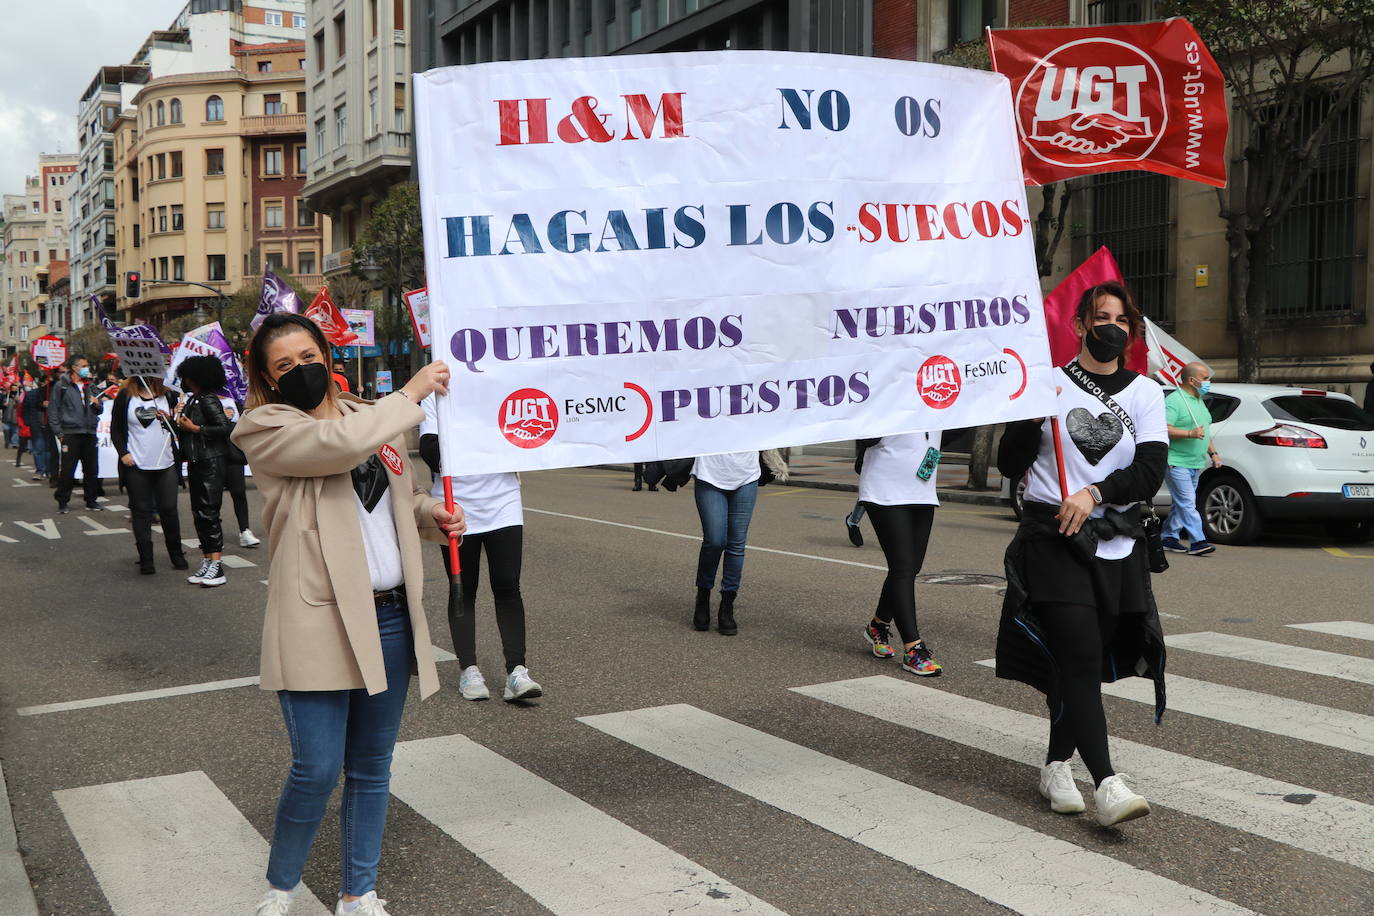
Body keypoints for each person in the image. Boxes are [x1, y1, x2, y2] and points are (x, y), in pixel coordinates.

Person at [234, 313, 462, 916]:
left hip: (388, 617)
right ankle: (281, 887)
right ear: (266, 377)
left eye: (308, 356)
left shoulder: (369, 417)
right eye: (284, 365)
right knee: (316, 767)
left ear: (326, 351)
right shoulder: (265, 427)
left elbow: (396, 495)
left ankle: (359, 892)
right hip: (316, 618)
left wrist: (429, 514)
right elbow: (331, 449)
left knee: (370, 767)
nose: (300, 370)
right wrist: (411, 394)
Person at [995, 280, 1168, 828]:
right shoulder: (1047, 384)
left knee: (1085, 660)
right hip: (1054, 539)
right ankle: (1108, 784)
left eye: (1121, 319)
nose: (1111, 327)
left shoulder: (1144, 393)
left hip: (1115, 541)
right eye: (1100, 317)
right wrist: (1025, 413)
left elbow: (1150, 470)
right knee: (1076, 652)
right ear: (1079, 325)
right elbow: (1009, 463)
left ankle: (1054, 764)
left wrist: (1093, 492)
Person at [419, 395, 542, 702]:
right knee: (464, 586)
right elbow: (432, 452)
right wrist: (488, 438)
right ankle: (468, 670)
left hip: (503, 500)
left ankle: (517, 671)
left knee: (507, 583)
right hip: (454, 502)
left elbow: (525, 438)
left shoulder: (502, 385)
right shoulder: (436, 396)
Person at [856, 432, 944, 676]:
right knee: (903, 567)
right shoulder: (886, 393)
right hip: (884, 488)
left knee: (910, 568)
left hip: (922, 489)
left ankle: (878, 625)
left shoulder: (935, 396)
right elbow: (865, 436)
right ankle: (913, 649)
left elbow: (957, 429)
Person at [683, 451, 785, 634]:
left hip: (746, 475)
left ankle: (727, 604)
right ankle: (703, 595)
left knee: (736, 545)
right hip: (709, 473)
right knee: (715, 541)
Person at [111, 376, 187, 574]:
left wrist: (173, 418)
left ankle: (176, 554)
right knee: (141, 511)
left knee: (169, 509)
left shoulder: (169, 396)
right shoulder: (126, 396)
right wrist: (123, 453)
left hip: (166, 462)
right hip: (137, 464)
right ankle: (146, 559)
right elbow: (116, 429)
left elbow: (177, 429)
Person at [175, 356, 232, 588]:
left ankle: (216, 565)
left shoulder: (207, 399)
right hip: (198, 460)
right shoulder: (194, 400)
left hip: (211, 461)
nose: (184, 380)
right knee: (199, 512)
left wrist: (195, 428)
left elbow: (224, 428)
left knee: (209, 511)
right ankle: (208, 560)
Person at [1162, 361, 1220, 556]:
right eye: (1205, 379)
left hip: (1195, 462)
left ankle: (1169, 536)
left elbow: (1205, 431)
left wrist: (1214, 453)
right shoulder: (1175, 401)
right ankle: (1198, 541)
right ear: (1191, 380)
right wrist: (1189, 434)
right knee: (1187, 502)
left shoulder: (1198, 400)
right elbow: (1164, 429)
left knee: (1183, 502)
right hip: (1176, 462)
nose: (1208, 382)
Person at [48, 356, 105, 513]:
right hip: (71, 433)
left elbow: (100, 410)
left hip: (89, 432)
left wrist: (97, 404)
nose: (88, 368)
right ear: (75, 368)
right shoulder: (62, 386)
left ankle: (91, 500)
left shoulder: (91, 386)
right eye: (84, 365)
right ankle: (62, 501)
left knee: (92, 469)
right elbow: (53, 410)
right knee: (67, 470)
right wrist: (59, 433)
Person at [218, 395, 262, 548]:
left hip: (233, 455)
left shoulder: (233, 402)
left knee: (239, 492)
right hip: (212, 455)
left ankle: (245, 531)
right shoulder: (202, 399)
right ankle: (214, 535)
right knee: (214, 497)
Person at [2, 383, 17, 449]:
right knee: (6, 430)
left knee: (15, 431)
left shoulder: (19, 396)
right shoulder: (5, 396)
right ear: (10, 389)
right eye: (13, 388)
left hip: (15, 417)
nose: (14, 390)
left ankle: (15, 443)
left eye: (15, 388)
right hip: (6, 416)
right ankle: (7, 441)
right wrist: (3, 405)